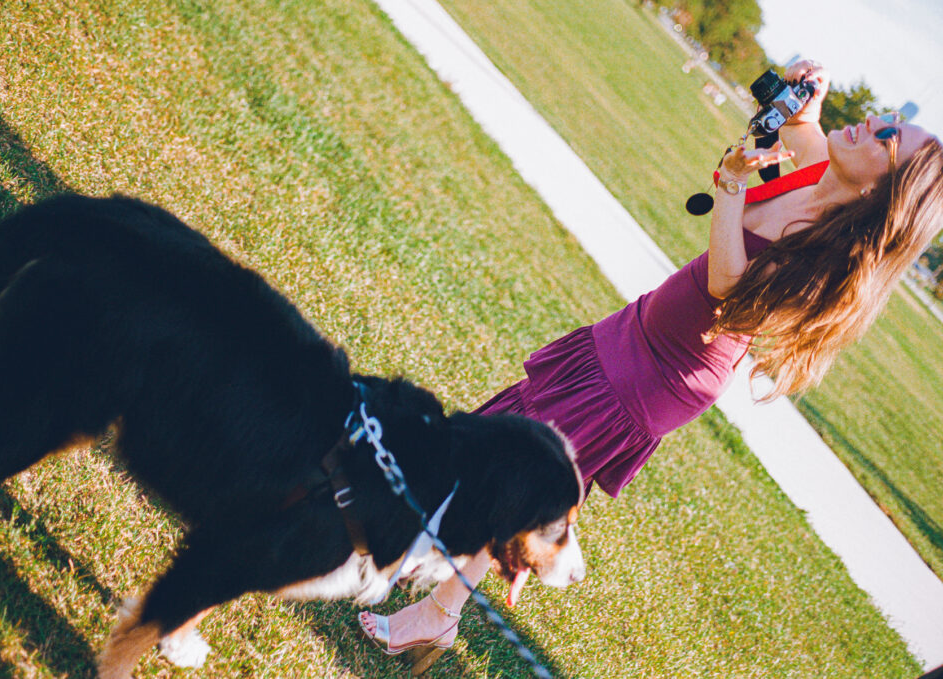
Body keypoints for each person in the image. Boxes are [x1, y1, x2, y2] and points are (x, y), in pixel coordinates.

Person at [359, 58, 943, 667]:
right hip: (639, 331)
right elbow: (804, 125)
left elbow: (727, 284)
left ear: (886, 191)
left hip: (661, 378)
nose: (873, 121)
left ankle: (434, 610)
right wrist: (807, 93)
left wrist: (731, 188)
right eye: (886, 118)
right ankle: (430, 546)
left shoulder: (835, 255)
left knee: (524, 469)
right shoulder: (824, 166)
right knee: (518, 439)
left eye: (888, 138)